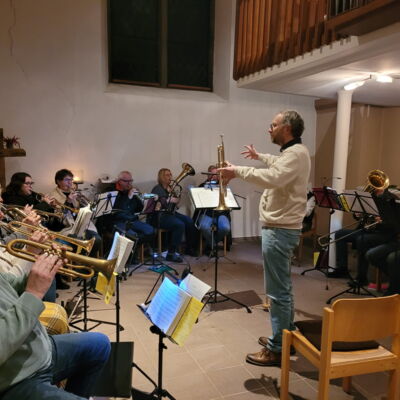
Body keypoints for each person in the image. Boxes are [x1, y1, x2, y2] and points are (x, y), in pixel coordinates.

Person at [219, 110, 311, 366]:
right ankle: (286, 335)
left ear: (287, 128)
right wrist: (260, 156)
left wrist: (238, 171)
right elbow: (277, 164)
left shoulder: (296, 154)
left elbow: (274, 177)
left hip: (280, 230)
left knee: (277, 292)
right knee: (282, 289)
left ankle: (278, 347)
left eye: (273, 125)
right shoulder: (293, 152)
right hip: (281, 228)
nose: (269, 129)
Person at [0, 242, 111, 400]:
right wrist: (33, 293)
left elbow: (9, 284)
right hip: (14, 380)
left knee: (100, 344)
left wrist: (43, 271)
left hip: (38, 351)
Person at [47, 169, 102, 258]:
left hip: (83, 224)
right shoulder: (52, 196)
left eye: (71, 180)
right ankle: (82, 261)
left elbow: (83, 209)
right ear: (58, 181)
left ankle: (89, 261)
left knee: (97, 240)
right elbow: (58, 217)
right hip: (68, 227)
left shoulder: (73, 192)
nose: (70, 183)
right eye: (67, 180)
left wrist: (82, 201)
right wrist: (68, 201)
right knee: (81, 242)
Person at [150, 168, 197, 262]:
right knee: (179, 224)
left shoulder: (170, 188)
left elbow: (176, 204)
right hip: (160, 216)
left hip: (171, 213)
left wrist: (176, 198)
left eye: (170, 175)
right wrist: (169, 199)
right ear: (162, 177)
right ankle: (171, 253)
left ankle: (189, 248)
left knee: (189, 221)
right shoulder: (157, 188)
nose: (170, 177)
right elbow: (159, 203)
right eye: (167, 175)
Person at [108, 171, 155, 244]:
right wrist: (128, 198)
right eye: (126, 181)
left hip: (132, 220)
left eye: (131, 181)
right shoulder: (112, 191)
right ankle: (133, 247)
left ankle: (136, 246)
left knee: (150, 230)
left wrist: (140, 199)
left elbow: (139, 209)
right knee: (132, 236)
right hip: (118, 221)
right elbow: (119, 210)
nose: (129, 183)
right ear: (119, 181)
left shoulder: (130, 190)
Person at [196, 165, 231, 253]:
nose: (213, 176)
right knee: (203, 226)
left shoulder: (223, 186)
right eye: (211, 174)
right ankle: (213, 245)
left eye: (216, 174)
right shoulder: (202, 186)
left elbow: (228, 201)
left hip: (221, 214)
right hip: (206, 213)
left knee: (225, 228)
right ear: (208, 175)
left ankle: (210, 245)